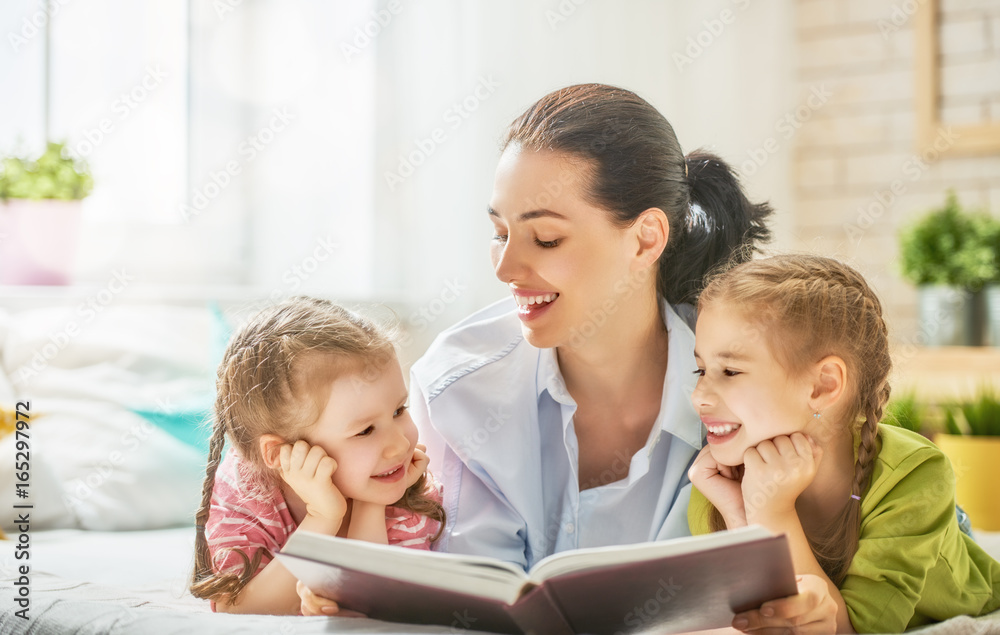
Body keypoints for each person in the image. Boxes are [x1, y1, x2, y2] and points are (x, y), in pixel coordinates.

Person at [301, 83, 832, 628]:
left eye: (546, 239)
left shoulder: (747, 382)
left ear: (646, 239)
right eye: (498, 233)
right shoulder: (456, 386)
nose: (505, 269)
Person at [687, 254, 1000, 633]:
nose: (699, 396)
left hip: (942, 557)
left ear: (823, 386)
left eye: (730, 371)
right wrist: (741, 513)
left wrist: (773, 511)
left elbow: (856, 628)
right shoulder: (718, 484)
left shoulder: (917, 474)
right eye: (701, 370)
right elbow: (773, 615)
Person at [189, 297, 444, 615]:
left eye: (398, 410)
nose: (399, 446)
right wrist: (323, 516)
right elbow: (237, 608)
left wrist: (371, 504)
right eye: (365, 430)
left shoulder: (409, 488)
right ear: (282, 454)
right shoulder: (244, 491)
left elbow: (380, 604)